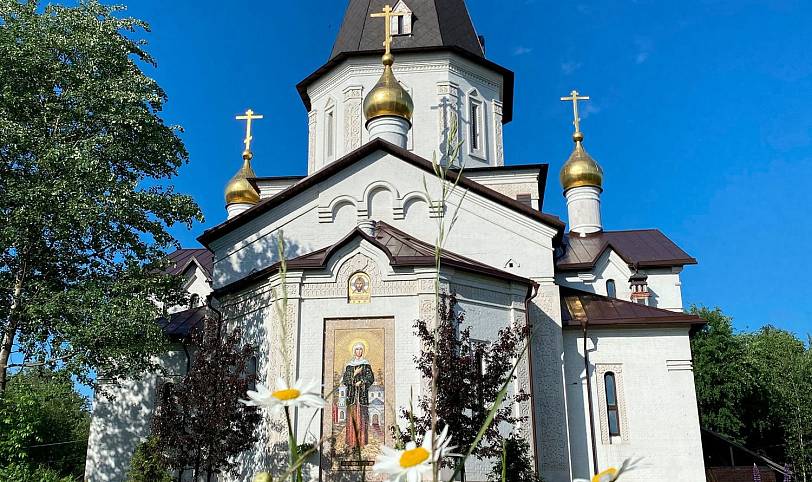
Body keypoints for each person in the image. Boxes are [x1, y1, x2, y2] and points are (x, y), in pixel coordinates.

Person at [342, 342, 374, 449]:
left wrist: (362, 382)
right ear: (354, 351)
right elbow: (345, 380)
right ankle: (351, 441)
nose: (359, 351)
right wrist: (354, 375)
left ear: (363, 351)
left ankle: (361, 442)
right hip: (351, 396)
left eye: (361, 349)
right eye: (357, 349)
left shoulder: (366, 364)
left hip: (361, 396)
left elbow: (370, 378)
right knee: (352, 418)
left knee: (362, 417)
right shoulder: (349, 365)